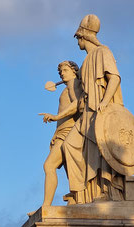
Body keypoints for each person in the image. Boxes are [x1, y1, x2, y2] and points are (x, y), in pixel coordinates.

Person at [41, 14, 124, 204]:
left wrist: (105, 101)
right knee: (70, 146)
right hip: (86, 113)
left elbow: (115, 78)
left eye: (78, 37)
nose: (77, 41)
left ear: (84, 36)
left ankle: (104, 190)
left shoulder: (103, 52)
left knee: (99, 149)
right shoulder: (86, 62)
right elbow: (79, 100)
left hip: (100, 112)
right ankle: (81, 194)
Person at [39, 61, 81, 206]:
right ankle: (76, 198)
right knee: (70, 169)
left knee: (49, 165)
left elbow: (77, 104)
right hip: (62, 132)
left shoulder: (73, 84)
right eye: (60, 72)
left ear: (74, 71)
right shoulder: (68, 87)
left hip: (68, 132)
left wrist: (56, 117)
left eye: (65, 70)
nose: (62, 73)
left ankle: (46, 206)